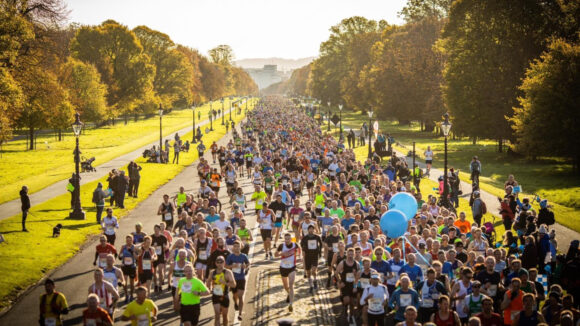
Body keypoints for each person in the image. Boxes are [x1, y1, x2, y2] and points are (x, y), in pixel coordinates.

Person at [207, 256, 236, 326]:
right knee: (217, 315)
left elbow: (234, 285)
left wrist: (224, 282)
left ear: (224, 263)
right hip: (215, 296)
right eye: (218, 262)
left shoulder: (228, 272)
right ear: (215, 263)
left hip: (224, 296)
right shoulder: (212, 272)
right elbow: (208, 282)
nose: (219, 264)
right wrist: (210, 288)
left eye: (221, 262)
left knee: (224, 316)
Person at [275, 233, 300, 312]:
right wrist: (282, 254)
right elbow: (275, 254)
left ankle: (291, 304)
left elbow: (300, 250)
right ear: (284, 239)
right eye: (286, 239)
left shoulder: (294, 245)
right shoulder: (281, 246)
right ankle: (289, 293)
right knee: (286, 286)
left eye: (289, 239)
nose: (287, 240)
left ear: (291, 239)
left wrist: (300, 257)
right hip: (283, 268)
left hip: (292, 268)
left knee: (291, 285)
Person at [226, 241, 250, 321]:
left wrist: (245, 266)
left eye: (238, 246)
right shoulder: (230, 256)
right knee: (235, 295)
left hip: (241, 278)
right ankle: (235, 303)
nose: (236, 248)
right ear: (233, 247)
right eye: (235, 246)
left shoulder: (244, 256)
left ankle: (240, 314)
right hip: (233, 279)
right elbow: (226, 266)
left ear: (240, 247)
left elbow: (248, 264)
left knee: (240, 296)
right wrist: (232, 266)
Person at [300, 224, 323, 293]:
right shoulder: (305, 238)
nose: (311, 230)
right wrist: (304, 249)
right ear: (308, 230)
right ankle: (311, 285)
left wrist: (319, 252)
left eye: (312, 229)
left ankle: (315, 280)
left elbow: (321, 244)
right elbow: (301, 244)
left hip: (315, 255)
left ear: (314, 230)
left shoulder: (317, 237)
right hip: (307, 256)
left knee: (314, 270)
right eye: (310, 229)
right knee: (308, 272)